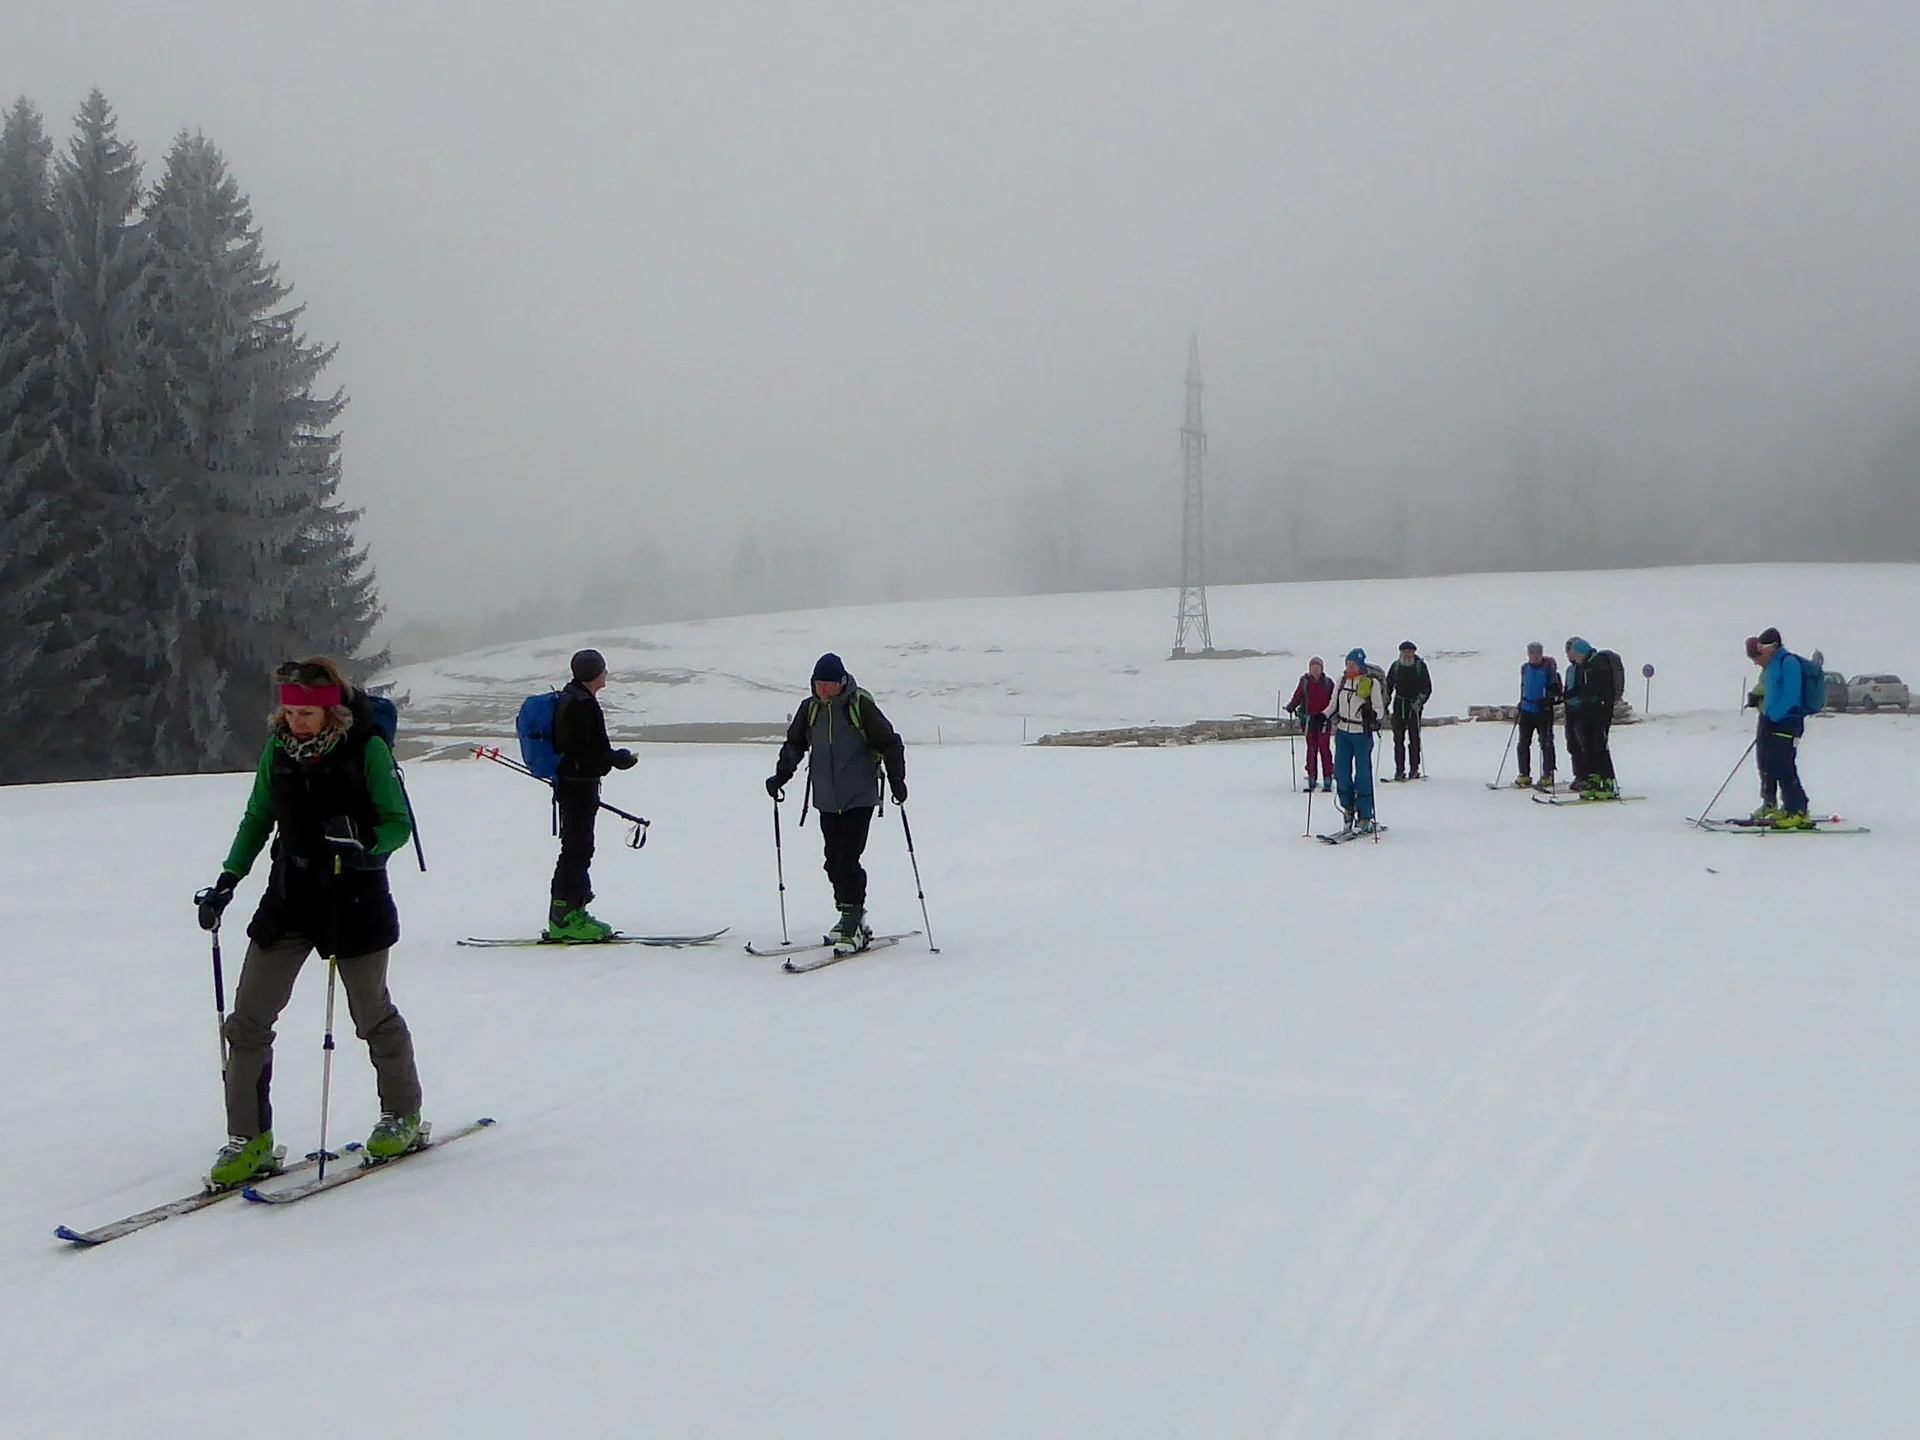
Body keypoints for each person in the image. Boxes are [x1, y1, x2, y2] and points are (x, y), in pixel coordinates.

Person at [194, 658, 424, 1188]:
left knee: (371, 1015)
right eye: (289, 712)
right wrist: (227, 880)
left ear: (329, 712)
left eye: (306, 714)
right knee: (248, 1020)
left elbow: (396, 823)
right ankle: (248, 1139)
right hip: (289, 896)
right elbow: (257, 818)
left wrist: (368, 852)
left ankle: (402, 1115)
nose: (295, 721)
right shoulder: (278, 750)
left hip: (355, 898)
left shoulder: (366, 748)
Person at [766, 653, 908, 951]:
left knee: (847, 859)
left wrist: (897, 780)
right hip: (827, 799)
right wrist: (781, 776)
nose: (825, 691)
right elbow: (795, 744)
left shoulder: (860, 706)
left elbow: (890, 742)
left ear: (842, 682)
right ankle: (850, 915)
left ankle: (853, 923)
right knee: (832, 862)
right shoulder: (810, 710)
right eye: (820, 685)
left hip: (859, 796)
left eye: (830, 685)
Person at [547, 648, 638, 942]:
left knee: (579, 848)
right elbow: (584, 750)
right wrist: (615, 759)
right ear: (594, 673)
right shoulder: (581, 705)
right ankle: (563, 919)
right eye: (603, 669)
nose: (606, 674)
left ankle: (574, 910)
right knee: (576, 849)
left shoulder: (573, 698)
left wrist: (609, 758)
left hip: (574, 784)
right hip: (577, 785)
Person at [1752, 627, 1813, 828]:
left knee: (1784, 765)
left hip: (1788, 721)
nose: (1761, 651)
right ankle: (1789, 808)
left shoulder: (1789, 663)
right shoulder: (1773, 665)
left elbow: (1791, 695)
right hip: (1774, 720)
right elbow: (1772, 692)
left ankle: (1799, 810)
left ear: (1773, 646)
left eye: (1763, 647)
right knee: (1774, 765)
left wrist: (1774, 715)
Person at [1327, 648, 1383, 832]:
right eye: (1347, 663)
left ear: (1360, 665)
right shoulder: (1341, 681)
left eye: (1353, 664)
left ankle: (1365, 816)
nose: (1349, 667)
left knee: (1363, 776)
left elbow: (1379, 710)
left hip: (1361, 734)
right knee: (1341, 773)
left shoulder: (1371, 683)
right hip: (1342, 732)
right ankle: (1348, 809)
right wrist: (1320, 717)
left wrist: (1371, 715)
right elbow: (1332, 705)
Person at [1563, 637, 1618, 798]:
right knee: (1588, 747)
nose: (1573, 659)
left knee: (1599, 746)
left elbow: (1605, 691)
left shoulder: (1598, 664)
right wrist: (1563, 696)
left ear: (1581, 651)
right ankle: (1594, 780)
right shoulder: (1582, 666)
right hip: (1586, 712)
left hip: (1599, 713)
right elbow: (1579, 689)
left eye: (1574, 654)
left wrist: (1598, 702)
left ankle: (1607, 783)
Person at [1514, 641, 1563, 789]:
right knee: (1523, 744)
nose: (1534, 656)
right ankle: (1524, 774)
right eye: (1531, 654)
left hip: (1543, 712)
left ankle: (1548, 774)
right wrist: (1521, 702)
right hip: (1527, 710)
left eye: (1536, 654)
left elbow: (1557, 691)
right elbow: (1524, 687)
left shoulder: (1549, 669)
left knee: (1546, 743)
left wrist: (1548, 700)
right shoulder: (1525, 668)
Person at [1285, 657, 1335, 792]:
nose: (1315, 669)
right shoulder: (1305, 682)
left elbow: (1334, 701)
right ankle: (1312, 778)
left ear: (1322, 668)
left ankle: (1327, 778)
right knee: (1311, 749)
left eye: (1317, 666)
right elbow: (1298, 696)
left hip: (1324, 721)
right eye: (1313, 666)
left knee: (1324, 749)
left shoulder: (1328, 683)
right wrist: (1292, 705)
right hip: (1308, 721)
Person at [1384, 640, 1432, 780]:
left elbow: (1427, 687)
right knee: (1398, 739)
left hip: (1414, 707)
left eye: (1409, 651)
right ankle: (1399, 770)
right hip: (1399, 705)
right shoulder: (1395, 666)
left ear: (1414, 652)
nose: (1407, 654)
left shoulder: (1420, 667)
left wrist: (1420, 701)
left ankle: (1414, 768)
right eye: (1404, 652)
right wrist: (1385, 703)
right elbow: (1389, 686)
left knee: (1414, 738)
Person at [1745, 635, 1778, 821]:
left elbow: (1773, 691)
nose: (1756, 663)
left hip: (1773, 720)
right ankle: (1768, 801)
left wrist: (1758, 697)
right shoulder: (1767, 670)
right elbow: (1763, 689)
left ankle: (1773, 804)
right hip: (1765, 717)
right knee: (1763, 762)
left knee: (1771, 764)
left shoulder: (1775, 669)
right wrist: (1754, 697)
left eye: (1756, 658)